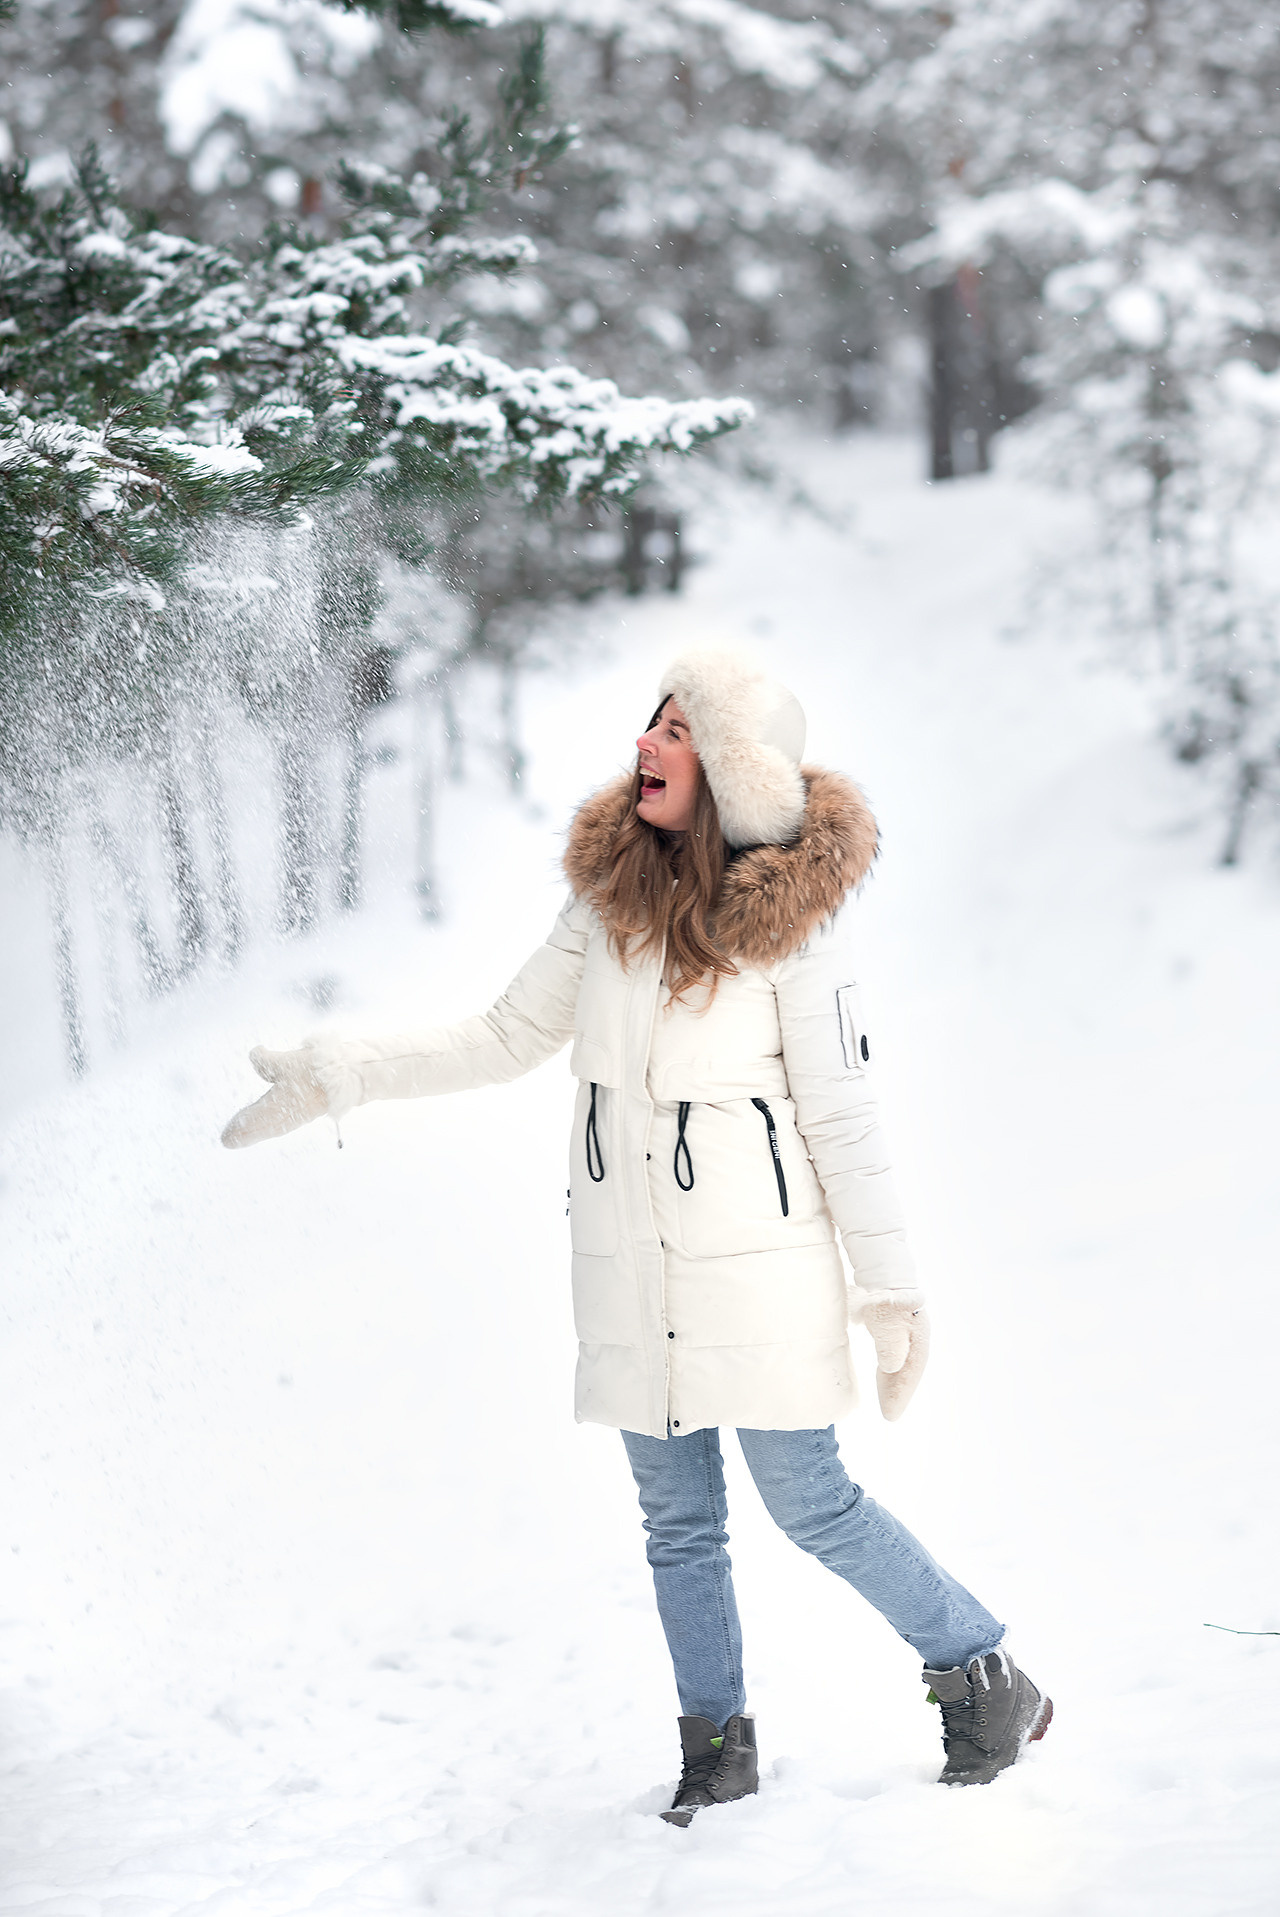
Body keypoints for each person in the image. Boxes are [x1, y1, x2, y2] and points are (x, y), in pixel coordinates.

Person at [222, 648, 1051, 1824]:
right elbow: (503, 1037)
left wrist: (892, 1289)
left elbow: (841, 1114)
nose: (646, 745)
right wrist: (352, 1065)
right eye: (649, 724)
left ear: (733, 773)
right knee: (676, 1523)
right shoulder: (607, 900)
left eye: (677, 731)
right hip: (625, 1259)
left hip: (758, 1267)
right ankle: (716, 1746)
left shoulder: (792, 931)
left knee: (806, 1499)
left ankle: (981, 1674)